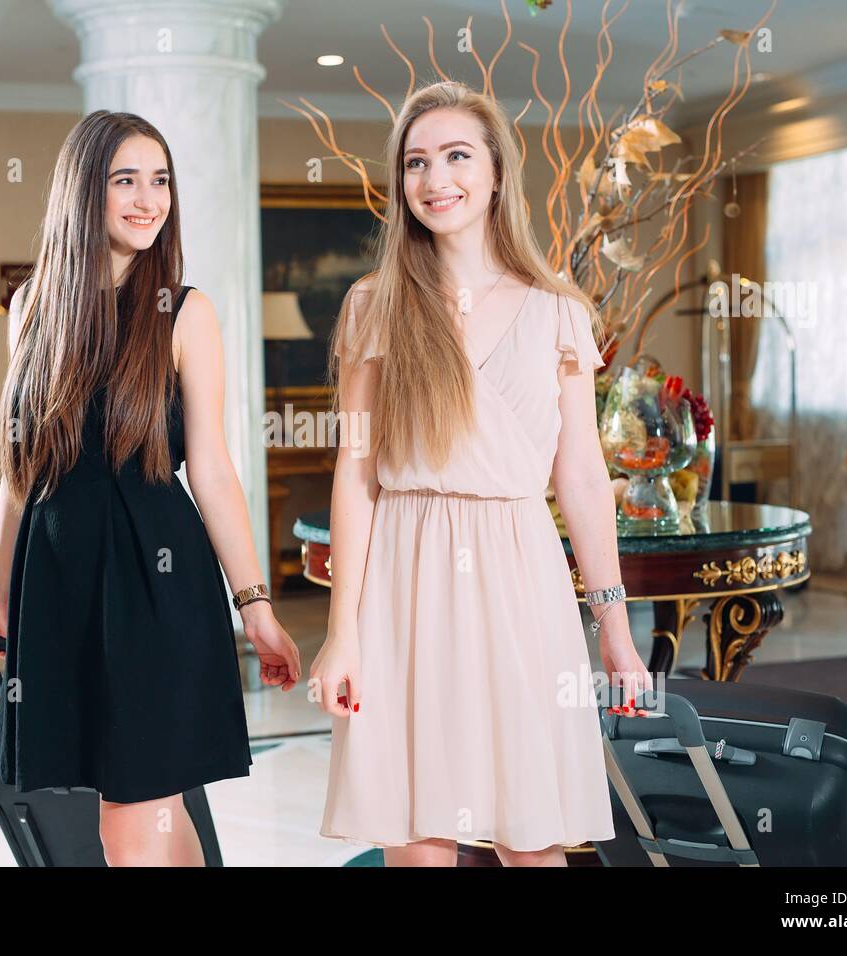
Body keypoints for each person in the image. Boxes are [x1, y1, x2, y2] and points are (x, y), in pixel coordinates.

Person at [311, 81, 652, 867]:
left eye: (457, 156)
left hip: (520, 571)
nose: (436, 180)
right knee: (415, 836)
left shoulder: (558, 309)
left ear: (497, 171)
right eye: (416, 163)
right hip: (406, 571)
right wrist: (343, 634)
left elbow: (583, 479)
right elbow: (357, 471)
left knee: (531, 835)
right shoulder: (375, 304)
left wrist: (614, 631)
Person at [0, 110, 301, 866]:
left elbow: (212, 467)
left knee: (129, 815)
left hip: (157, 580)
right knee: (144, 801)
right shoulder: (31, 309)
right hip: (58, 582)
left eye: (161, 181)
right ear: (84, 191)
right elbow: (22, 465)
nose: (150, 199)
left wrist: (256, 604)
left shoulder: (186, 313)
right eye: (127, 180)